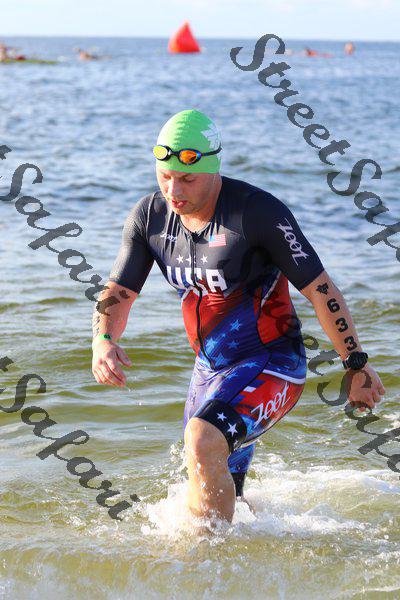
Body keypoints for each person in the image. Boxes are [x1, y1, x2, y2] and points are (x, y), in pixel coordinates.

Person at [91, 109, 385, 526]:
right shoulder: (149, 217)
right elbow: (119, 293)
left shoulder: (256, 213)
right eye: (165, 176)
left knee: (201, 440)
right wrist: (103, 340)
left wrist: (355, 364)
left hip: (272, 364)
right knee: (215, 483)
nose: (173, 190)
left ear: (213, 169)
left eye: (187, 178)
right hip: (209, 371)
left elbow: (321, 290)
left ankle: (207, 562)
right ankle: (260, 554)